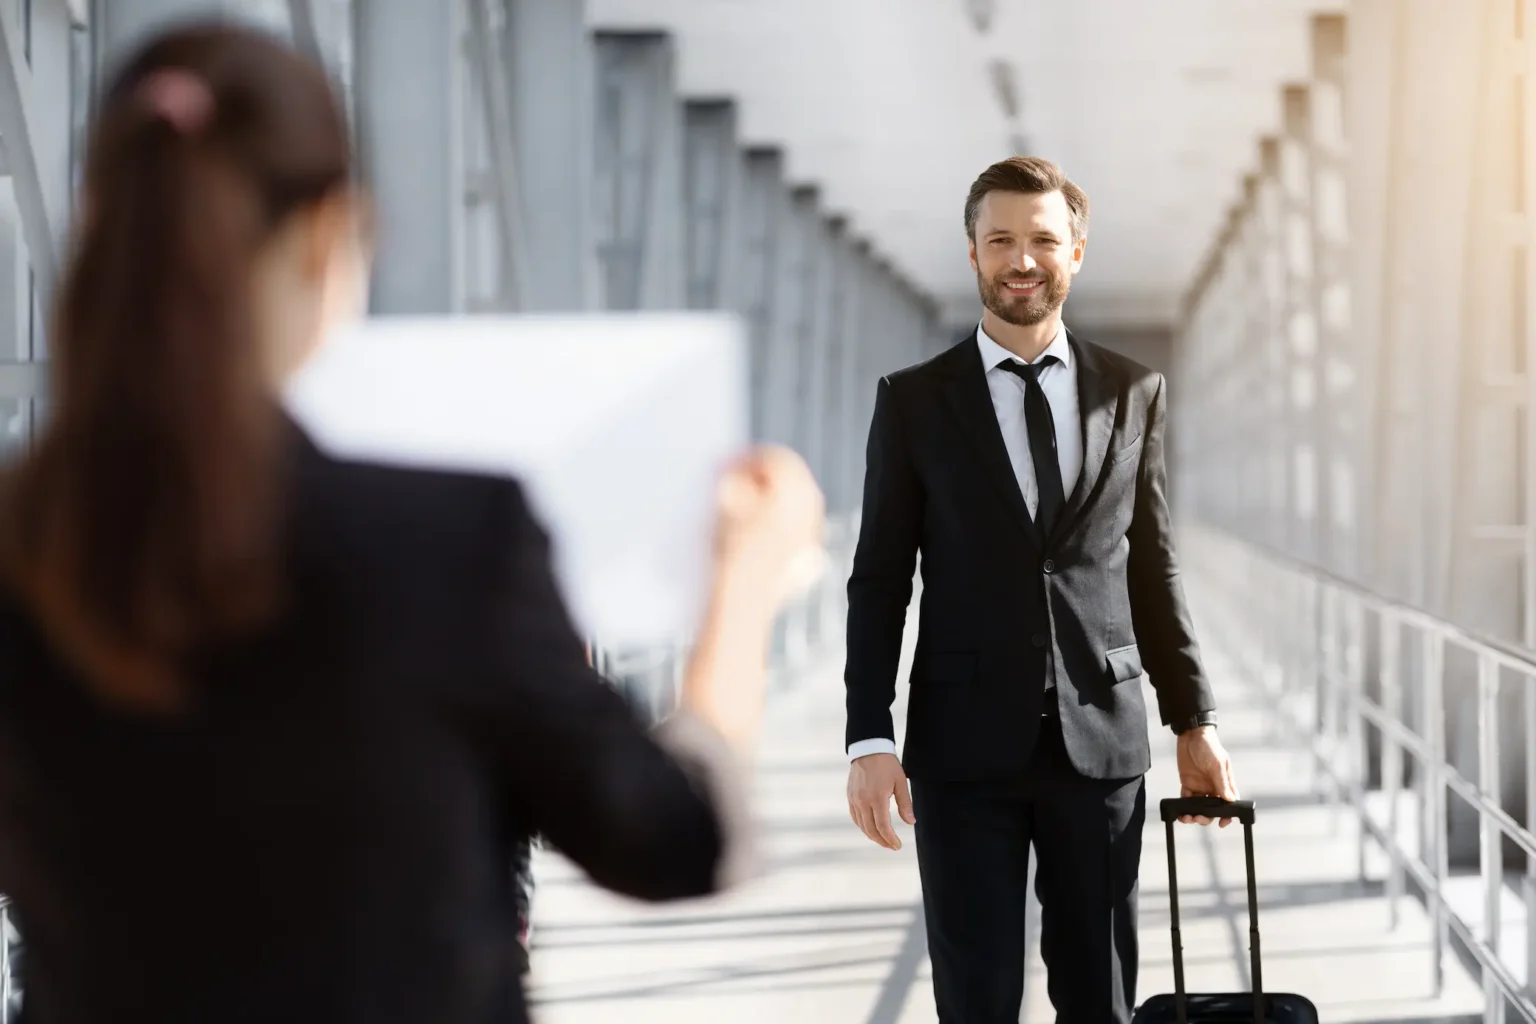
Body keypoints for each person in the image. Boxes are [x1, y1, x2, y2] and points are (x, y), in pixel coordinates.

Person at [0, 22, 823, 1024]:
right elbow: (672, 838)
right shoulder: (448, 539)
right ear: (328, 236)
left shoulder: (27, 544)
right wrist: (742, 588)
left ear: (104, 221)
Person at [842, 156, 1239, 1023]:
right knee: (977, 999)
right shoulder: (912, 403)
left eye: (1043, 240)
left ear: (1077, 252)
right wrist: (867, 736)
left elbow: (1153, 566)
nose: (1023, 260)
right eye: (1002, 241)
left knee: (1100, 1000)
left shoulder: (1137, 392)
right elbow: (879, 578)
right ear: (974, 253)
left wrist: (1194, 720)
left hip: (1100, 747)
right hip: (960, 752)